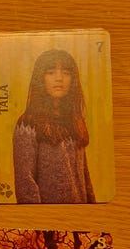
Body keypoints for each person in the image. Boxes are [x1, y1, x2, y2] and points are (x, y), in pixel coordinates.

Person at [13, 48, 96, 204]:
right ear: (40, 78)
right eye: (51, 72)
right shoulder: (28, 124)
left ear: (73, 80)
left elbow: (85, 179)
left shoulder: (75, 122)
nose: (59, 78)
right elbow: (25, 184)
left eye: (66, 73)